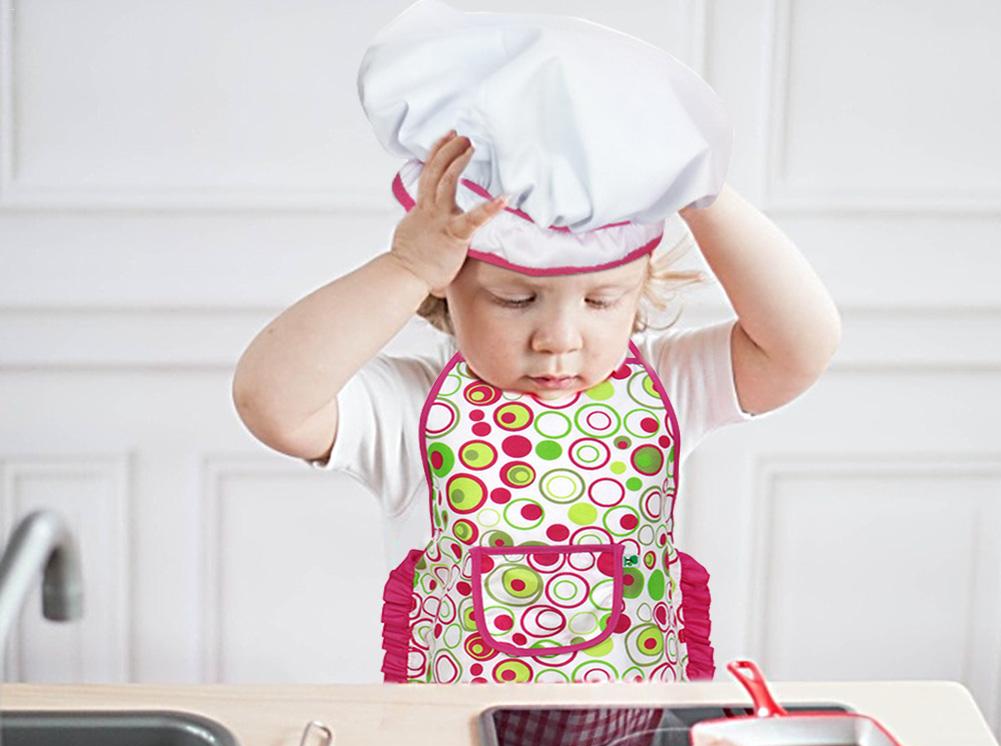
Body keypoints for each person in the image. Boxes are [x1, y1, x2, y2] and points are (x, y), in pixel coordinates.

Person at [232, 1, 841, 685]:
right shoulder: (408, 410)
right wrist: (402, 267)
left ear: (641, 287)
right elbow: (271, 401)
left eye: (603, 300)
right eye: (514, 299)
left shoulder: (669, 388)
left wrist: (700, 190)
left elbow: (801, 346)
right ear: (446, 290)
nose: (558, 337)